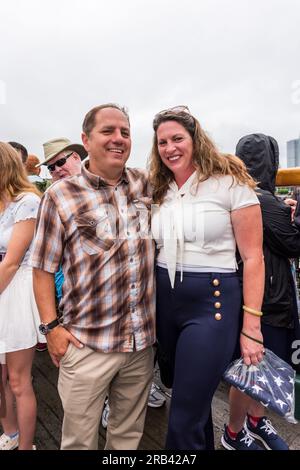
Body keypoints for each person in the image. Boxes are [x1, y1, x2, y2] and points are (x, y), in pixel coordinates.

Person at [30, 104, 155, 450]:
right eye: (108, 131)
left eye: (125, 132)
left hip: (140, 344)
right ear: (86, 140)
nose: (118, 139)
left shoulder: (146, 185)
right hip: (86, 345)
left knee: (127, 438)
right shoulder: (60, 195)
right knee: (78, 442)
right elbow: (41, 269)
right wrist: (51, 329)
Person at [149, 106, 265, 450]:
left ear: (195, 138)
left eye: (177, 138)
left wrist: (252, 327)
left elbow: (253, 258)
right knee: (194, 406)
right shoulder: (159, 188)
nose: (170, 148)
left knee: (182, 417)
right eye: (162, 142)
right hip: (165, 303)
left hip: (211, 303)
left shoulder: (230, 182)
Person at [222, 133, 300, 451]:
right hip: (265, 303)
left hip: (260, 298)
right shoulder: (260, 200)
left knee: (262, 370)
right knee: (250, 372)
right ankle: (233, 432)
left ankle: (256, 421)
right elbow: (295, 243)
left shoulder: (252, 196)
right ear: (272, 162)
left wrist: (283, 206)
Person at [0, 142, 45, 450]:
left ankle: (27, 447)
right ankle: (10, 433)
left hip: (14, 290)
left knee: (18, 380)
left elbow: (13, 260)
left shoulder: (27, 201)